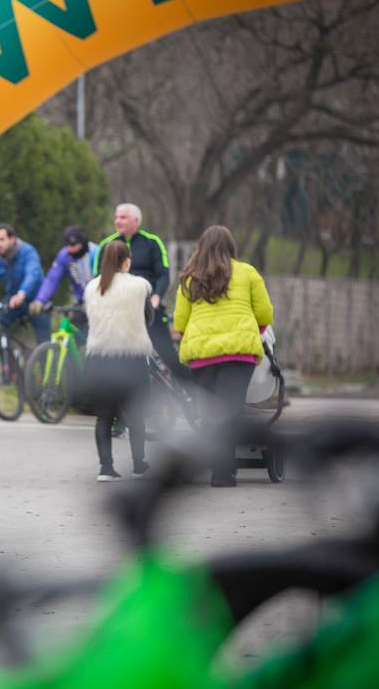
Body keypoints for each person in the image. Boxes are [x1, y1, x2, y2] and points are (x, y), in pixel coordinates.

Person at [172, 225, 274, 488]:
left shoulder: (190, 277)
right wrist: (255, 331)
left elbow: (180, 322)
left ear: (201, 247)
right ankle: (223, 473)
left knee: (209, 410)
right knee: (231, 409)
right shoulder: (248, 272)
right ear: (231, 246)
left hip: (202, 354)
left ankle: (203, 463)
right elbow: (265, 313)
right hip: (239, 353)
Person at [82, 240, 152, 482]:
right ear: (127, 261)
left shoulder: (92, 287)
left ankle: (106, 468)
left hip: (99, 360)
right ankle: (139, 465)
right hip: (131, 360)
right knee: (136, 416)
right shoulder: (139, 286)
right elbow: (149, 318)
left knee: (104, 416)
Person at [93, 204, 186, 381]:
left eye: (123, 217)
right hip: (118, 314)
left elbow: (163, 274)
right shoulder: (106, 245)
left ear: (136, 221)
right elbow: (98, 278)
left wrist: (156, 297)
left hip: (149, 310)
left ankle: (193, 392)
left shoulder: (152, 242)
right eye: (116, 217)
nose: (117, 221)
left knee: (169, 357)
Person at [29, 225, 96, 333]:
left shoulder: (96, 252)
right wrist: (40, 300)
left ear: (82, 242)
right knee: (75, 334)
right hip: (81, 303)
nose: (70, 248)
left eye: (73, 245)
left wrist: (94, 299)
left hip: (99, 301)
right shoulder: (65, 255)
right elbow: (52, 279)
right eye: (67, 245)